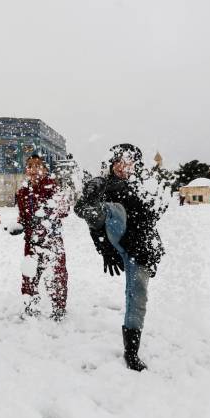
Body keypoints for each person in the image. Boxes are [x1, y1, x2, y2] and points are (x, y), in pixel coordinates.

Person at [74, 144, 166, 372]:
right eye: (119, 163)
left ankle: (131, 352)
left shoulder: (144, 187)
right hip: (114, 229)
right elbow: (93, 225)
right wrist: (104, 249)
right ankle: (92, 206)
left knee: (137, 296)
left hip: (136, 247)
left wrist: (154, 251)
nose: (123, 167)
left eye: (128, 163)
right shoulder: (104, 183)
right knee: (114, 209)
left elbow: (151, 222)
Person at [15, 154, 70, 321]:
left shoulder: (53, 188)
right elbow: (22, 217)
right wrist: (18, 226)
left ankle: (58, 308)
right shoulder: (22, 192)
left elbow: (64, 209)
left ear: (46, 170)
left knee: (57, 275)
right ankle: (30, 305)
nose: (33, 169)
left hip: (52, 241)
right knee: (29, 275)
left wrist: (45, 213)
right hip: (31, 241)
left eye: (38, 166)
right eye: (30, 166)